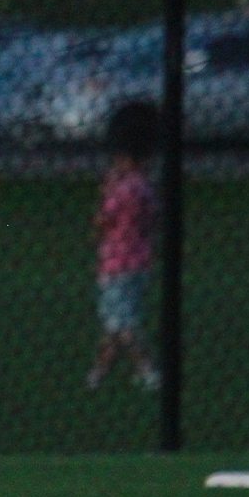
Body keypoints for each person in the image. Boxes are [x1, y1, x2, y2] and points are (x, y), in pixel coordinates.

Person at [88, 129, 159, 390]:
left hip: (116, 262)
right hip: (140, 260)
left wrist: (106, 191)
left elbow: (102, 221)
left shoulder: (118, 190)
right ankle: (99, 372)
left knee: (121, 322)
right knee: (116, 321)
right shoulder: (146, 188)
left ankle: (148, 369)